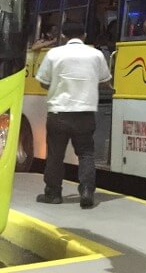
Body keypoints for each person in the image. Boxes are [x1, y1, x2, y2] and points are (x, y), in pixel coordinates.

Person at [34, 21, 112, 208]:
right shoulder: (96, 54)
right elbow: (104, 81)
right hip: (84, 114)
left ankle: (53, 193)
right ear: (84, 35)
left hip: (59, 113)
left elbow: (43, 82)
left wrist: (58, 86)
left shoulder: (54, 54)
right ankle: (86, 192)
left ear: (62, 36)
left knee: (55, 155)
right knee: (86, 153)